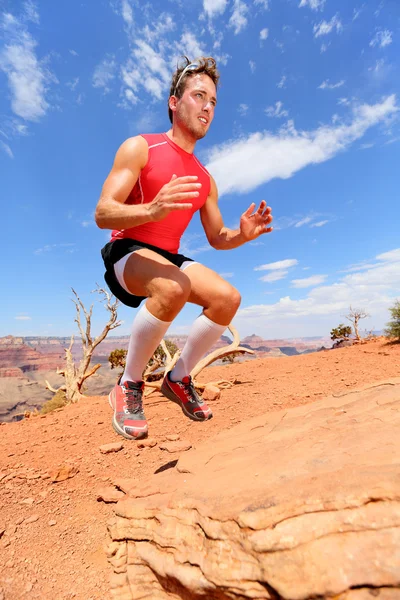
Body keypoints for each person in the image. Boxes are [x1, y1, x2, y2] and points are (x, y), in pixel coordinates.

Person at [95, 56, 273, 441]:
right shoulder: (140, 147)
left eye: (213, 101)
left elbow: (216, 237)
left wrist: (242, 234)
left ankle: (178, 378)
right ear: (174, 102)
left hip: (169, 258)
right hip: (127, 249)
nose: (208, 106)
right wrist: (152, 209)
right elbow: (103, 213)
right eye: (198, 96)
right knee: (173, 286)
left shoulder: (206, 178)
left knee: (227, 298)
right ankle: (127, 385)